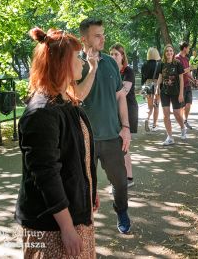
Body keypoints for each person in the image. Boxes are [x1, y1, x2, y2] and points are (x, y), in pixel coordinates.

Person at [15, 28, 99, 258]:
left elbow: (78, 153)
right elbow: (46, 174)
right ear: (63, 63)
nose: (82, 62)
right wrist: (66, 227)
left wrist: (89, 188)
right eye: (77, 57)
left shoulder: (65, 101)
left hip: (74, 215)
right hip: (52, 227)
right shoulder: (41, 113)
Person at [75, 18, 132, 234]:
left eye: (103, 34)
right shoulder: (75, 64)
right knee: (83, 183)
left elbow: (120, 97)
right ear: (84, 39)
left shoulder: (110, 62)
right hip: (84, 138)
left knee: (120, 182)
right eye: (97, 35)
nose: (103, 38)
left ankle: (122, 211)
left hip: (111, 136)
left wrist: (125, 127)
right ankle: (84, 221)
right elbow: (74, 97)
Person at [110, 43, 138, 188]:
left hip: (128, 110)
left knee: (123, 145)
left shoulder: (128, 71)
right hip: (115, 111)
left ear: (122, 56)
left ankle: (128, 178)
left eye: (117, 54)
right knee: (119, 145)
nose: (114, 56)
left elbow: (123, 93)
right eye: (112, 54)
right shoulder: (110, 70)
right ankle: (125, 177)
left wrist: (105, 100)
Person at [154, 44, 186, 145]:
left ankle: (183, 127)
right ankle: (170, 137)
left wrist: (181, 93)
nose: (169, 52)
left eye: (171, 51)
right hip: (164, 92)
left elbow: (181, 79)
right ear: (165, 53)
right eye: (167, 51)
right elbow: (160, 78)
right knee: (165, 115)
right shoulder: (161, 64)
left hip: (176, 92)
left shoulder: (178, 64)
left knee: (177, 113)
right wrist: (156, 90)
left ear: (173, 52)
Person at [176, 42, 196, 130]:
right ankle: (181, 124)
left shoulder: (187, 59)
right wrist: (189, 68)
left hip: (187, 85)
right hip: (180, 86)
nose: (189, 49)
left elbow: (187, 73)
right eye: (188, 48)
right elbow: (179, 72)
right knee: (181, 106)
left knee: (188, 104)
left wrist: (193, 79)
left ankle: (185, 120)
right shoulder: (177, 58)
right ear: (184, 48)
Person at [141, 47, 161, 132]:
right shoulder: (159, 64)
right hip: (157, 85)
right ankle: (154, 125)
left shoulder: (144, 65)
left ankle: (147, 119)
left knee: (149, 107)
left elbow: (143, 79)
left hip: (147, 86)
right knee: (156, 105)